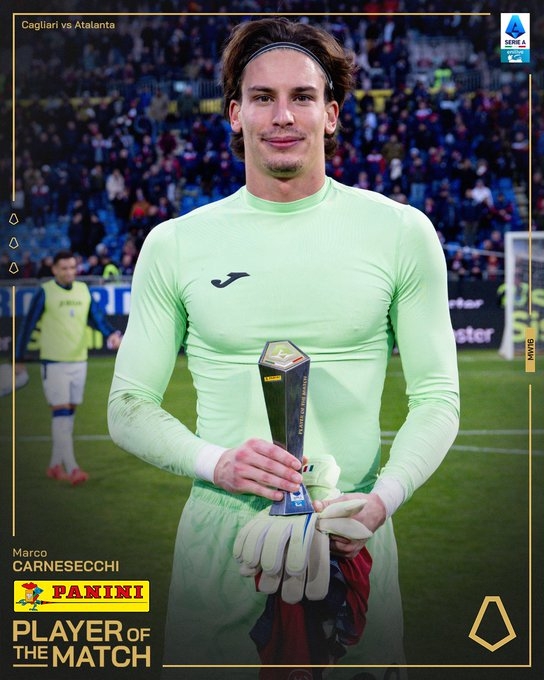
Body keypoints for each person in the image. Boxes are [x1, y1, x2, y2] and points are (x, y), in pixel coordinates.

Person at [108, 17, 459, 680]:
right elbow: (127, 406)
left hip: (351, 526)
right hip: (220, 540)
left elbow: (438, 398)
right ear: (235, 114)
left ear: (331, 113)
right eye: (262, 97)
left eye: (302, 96)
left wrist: (380, 502)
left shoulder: (400, 233)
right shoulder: (176, 243)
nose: (283, 115)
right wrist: (219, 464)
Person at [15, 250, 122, 485]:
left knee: (68, 415)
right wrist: (18, 357)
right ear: (54, 269)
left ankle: (55, 464)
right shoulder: (45, 291)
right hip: (53, 362)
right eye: (64, 268)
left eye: (72, 267)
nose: (69, 272)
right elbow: (27, 325)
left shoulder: (83, 290)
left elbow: (96, 318)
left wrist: (111, 334)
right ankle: (72, 468)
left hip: (79, 360)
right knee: (61, 413)